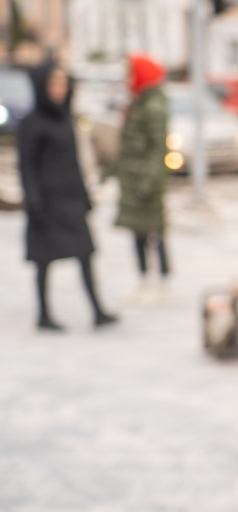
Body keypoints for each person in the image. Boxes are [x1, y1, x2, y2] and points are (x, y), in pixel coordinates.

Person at [17, 63, 117, 330]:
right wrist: (33, 201)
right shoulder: (32, 122)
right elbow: (26, 165)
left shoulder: (66, 118)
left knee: (85, 254)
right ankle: (43, 315)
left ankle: (97, 310)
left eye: (63, 84)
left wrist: (84, 197)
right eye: (54, 84)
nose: (59, 89)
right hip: (46, 201)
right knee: (44, 260)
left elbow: (74, 162)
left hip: (71, 198)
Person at [112, 53, 171, 289]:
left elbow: (159, 148)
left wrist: (148, 181)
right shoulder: (137, 103)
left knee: (154, 231)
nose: (126, 79)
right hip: (133, 180)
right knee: (138, 231)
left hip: (146, 182)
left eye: (130, 74)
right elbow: (126, 145)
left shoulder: (152, 107)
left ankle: (162, 276)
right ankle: (144, 276)